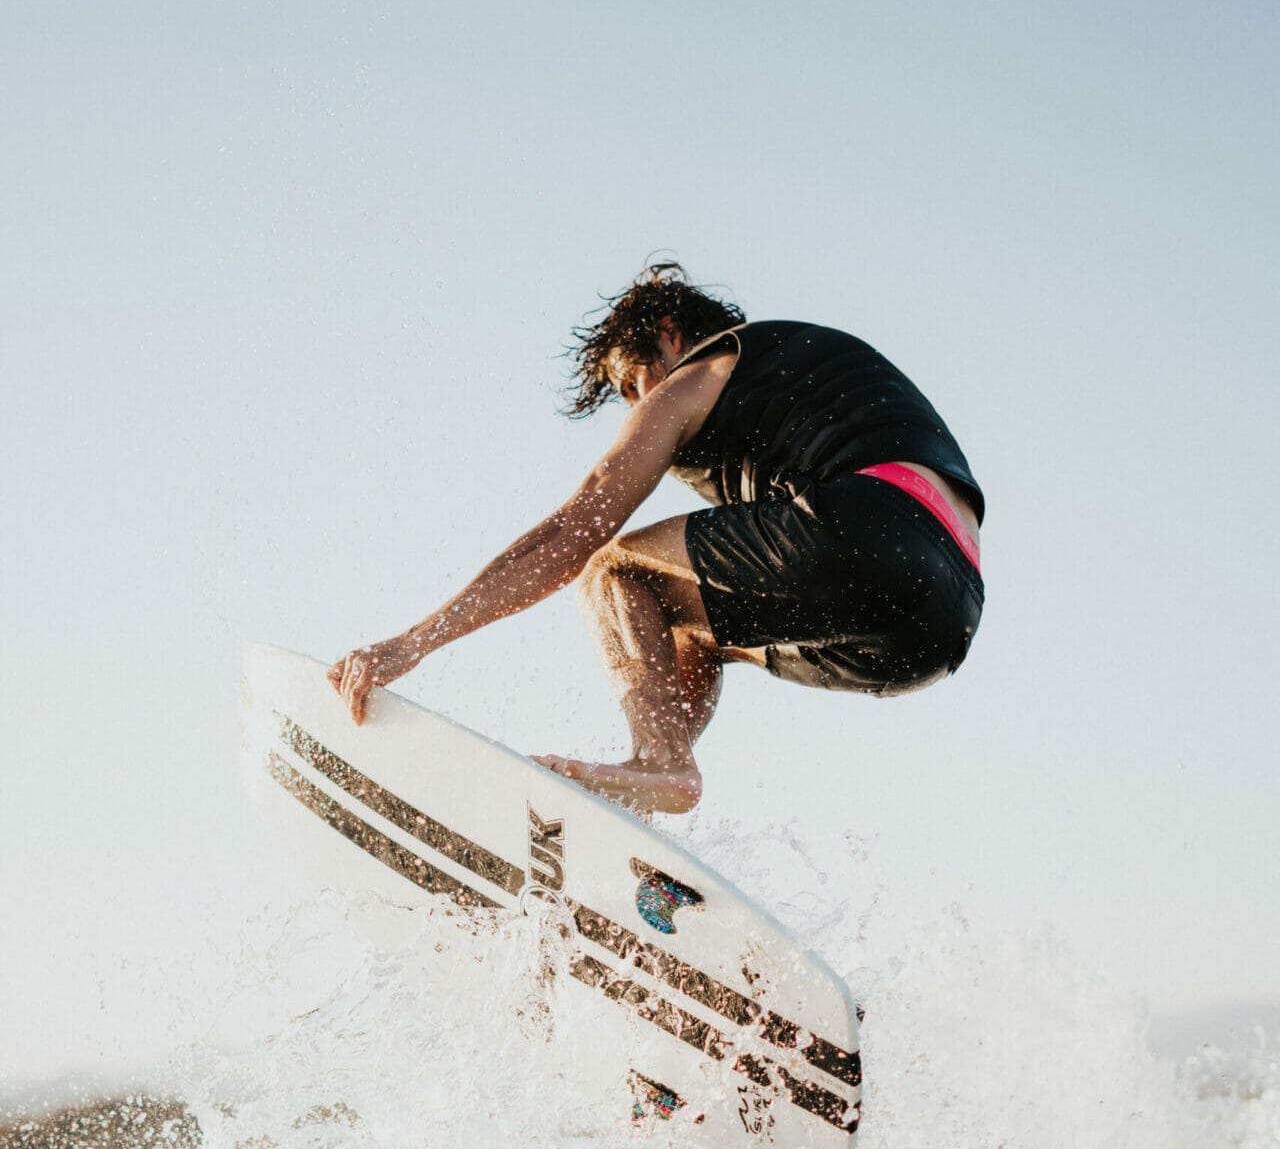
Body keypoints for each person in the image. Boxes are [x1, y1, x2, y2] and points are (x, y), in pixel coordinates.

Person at [329, 263, 984, 814]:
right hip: (939, 623)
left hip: (875, 524)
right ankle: (650, 786)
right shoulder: (790, 380)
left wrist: (411, 643)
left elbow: (575, 531)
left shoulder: (704, 365)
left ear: (670, 336)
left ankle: (661, 765)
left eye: (631, 383)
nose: (638, 406)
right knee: (685, 626)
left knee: (615, 572)